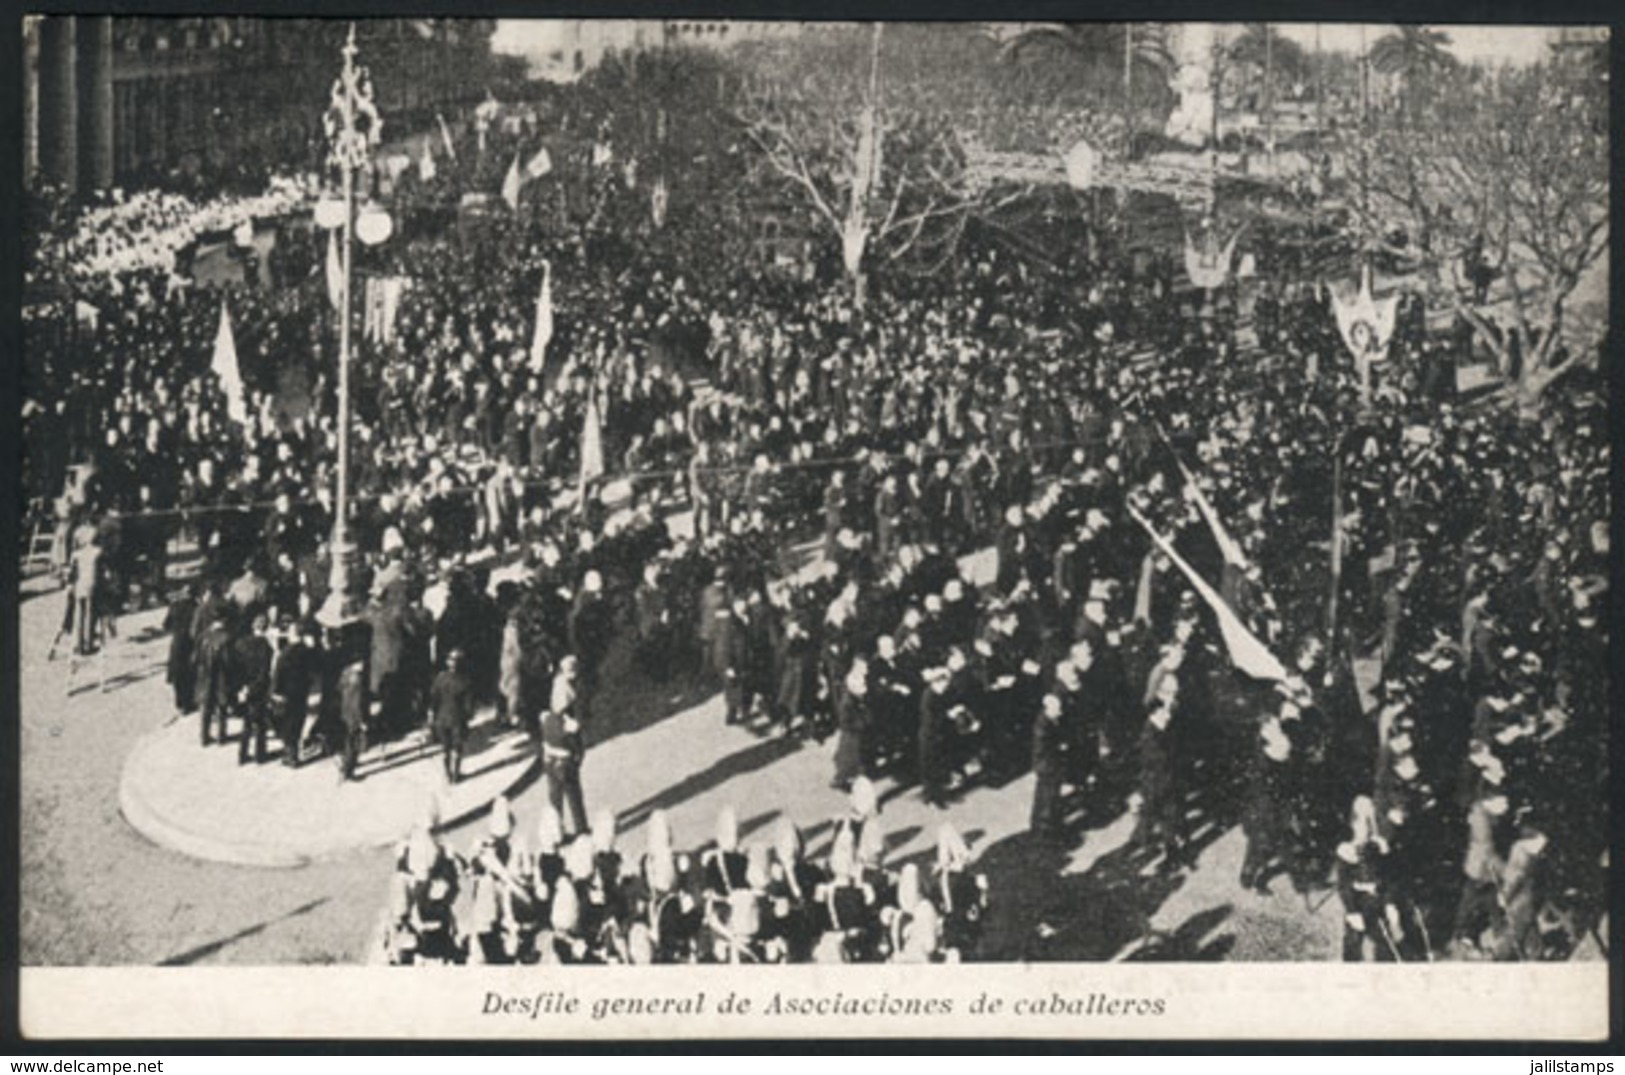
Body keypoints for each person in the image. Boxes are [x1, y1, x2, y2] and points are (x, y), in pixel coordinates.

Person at [542, 656, 588, 836]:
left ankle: (556, 832)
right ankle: (581, 828)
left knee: (555, 798)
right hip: (565, 761)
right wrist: (578, 755)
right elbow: (575, 742)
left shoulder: (547, 719)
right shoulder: (569, 723)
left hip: (549, 759)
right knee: (574, 795)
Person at [429, 647, 477, 783]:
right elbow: (469, 705)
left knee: (445, 748)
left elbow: (433, 698)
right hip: (458, 719)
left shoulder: (440, 678)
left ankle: (447, 774)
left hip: (441, 719)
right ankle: (456, 776)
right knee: (457, 748)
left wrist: (432, 715)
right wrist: (468, 717)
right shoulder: (465, 681)